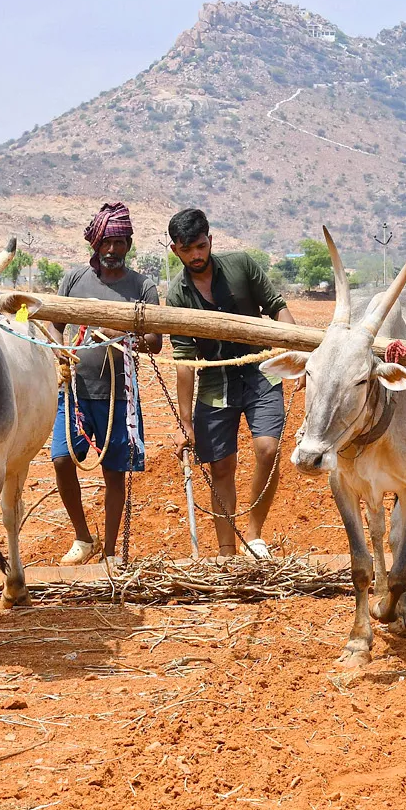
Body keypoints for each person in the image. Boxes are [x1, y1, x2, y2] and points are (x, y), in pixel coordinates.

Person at [165, 208, 295, 558]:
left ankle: (253, 536)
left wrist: (294, 342)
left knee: (268, 450)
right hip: (215, 381)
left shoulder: (242, 266)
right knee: (221, 466)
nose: (196, 255)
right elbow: (184, 361)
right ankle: (227, 552)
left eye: (201, 246)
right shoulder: (177, 294)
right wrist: (185, 423)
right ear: (175, 249)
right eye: (187, 248)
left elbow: (277, 307)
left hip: (261, 370)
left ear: (211, 240)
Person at [51, 202, 162, 565]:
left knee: (114, 473)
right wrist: (60, 349)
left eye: (119, 242)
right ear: (94, 243)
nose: (112, 250)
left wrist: (121, 333)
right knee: (62, 459)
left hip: (119, 396)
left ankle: (112, 552)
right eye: (106, 242)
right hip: (75, 392)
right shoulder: (73, 280)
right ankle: (84, 538)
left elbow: (156, 342)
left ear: (129, 244)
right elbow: (54, 322)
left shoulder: (143, 287)